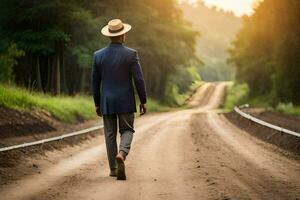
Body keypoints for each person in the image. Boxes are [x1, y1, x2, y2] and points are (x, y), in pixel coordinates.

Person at [92, 19, 147, 180]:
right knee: (127, 130)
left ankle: (114, 169)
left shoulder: (98, 56)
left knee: (109, 134)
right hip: (125, 101)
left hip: (107, 101)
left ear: (109, 35)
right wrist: (143, 100)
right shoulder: (131, 54)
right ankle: (122, 154)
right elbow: (139, 80)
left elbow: (95, 82)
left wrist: (97, 103)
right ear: (122, 35)